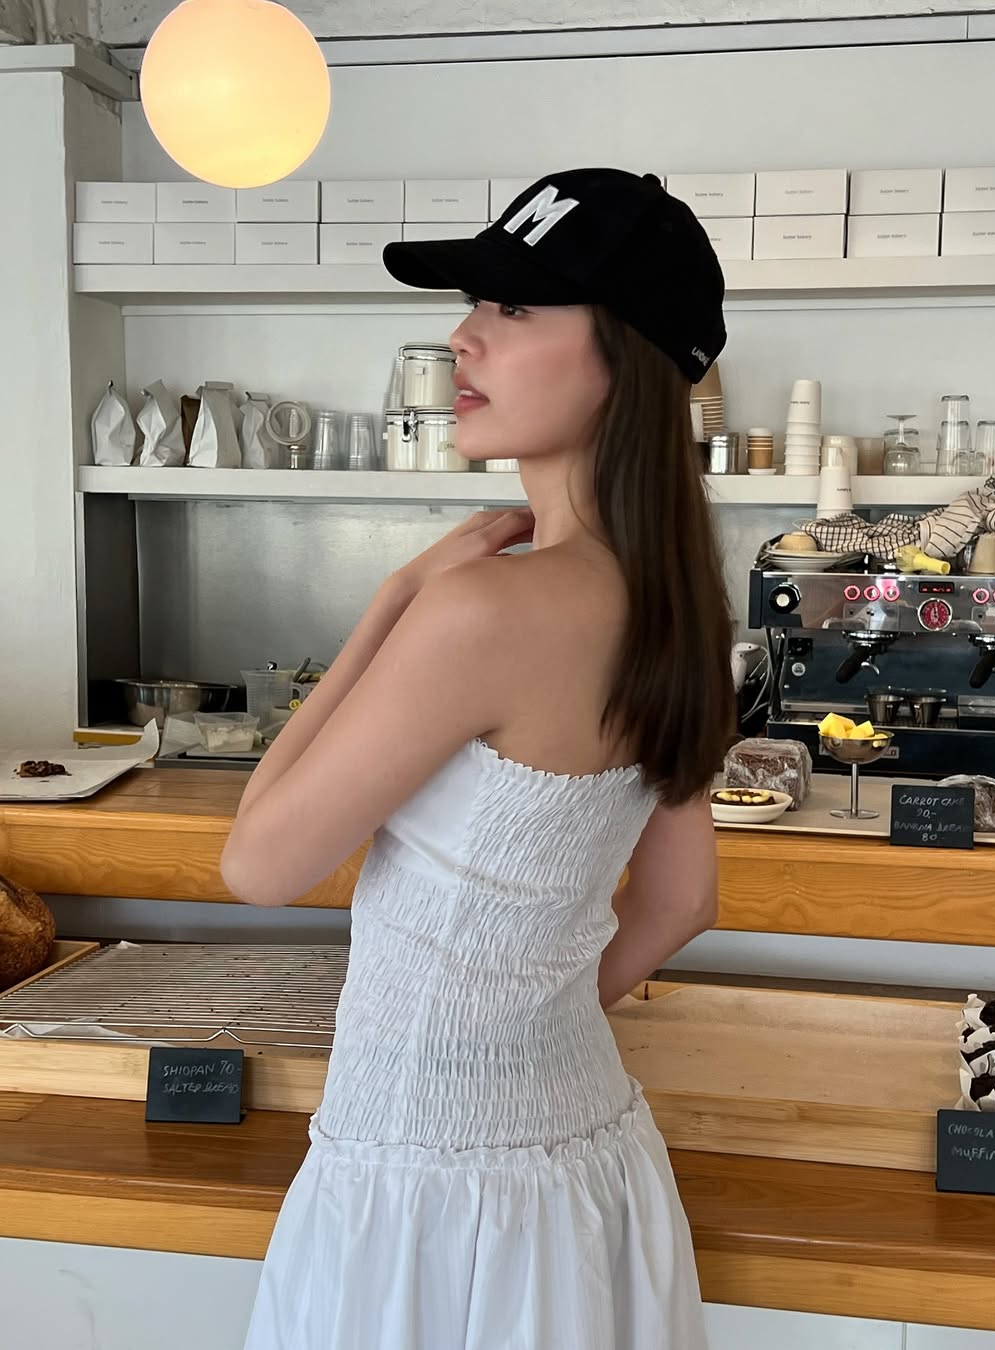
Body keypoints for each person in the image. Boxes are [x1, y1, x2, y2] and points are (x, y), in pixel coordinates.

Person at [223, 166, 736, 1350]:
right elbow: (682, 901)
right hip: (590, 1161)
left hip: (425, 1187)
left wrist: (395, 599)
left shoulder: (479, 609)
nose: (463, 335)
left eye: (513, 306)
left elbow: (259, 862)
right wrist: (521, 1025)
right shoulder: (684, 610)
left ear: (624, 356)